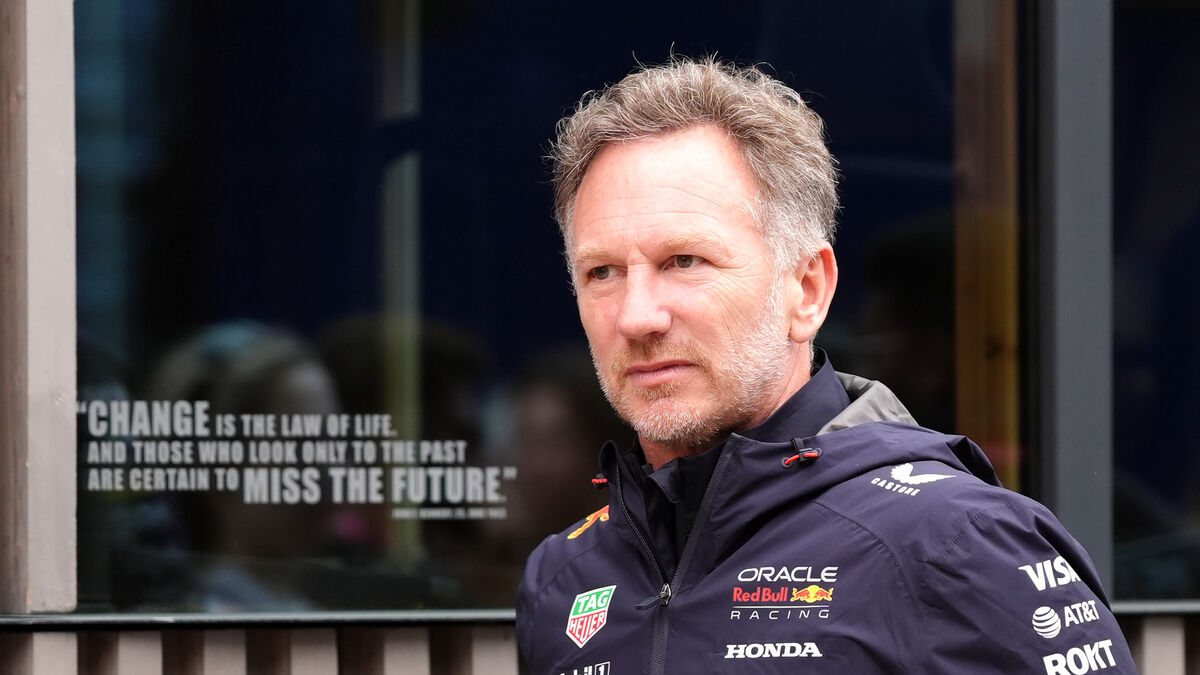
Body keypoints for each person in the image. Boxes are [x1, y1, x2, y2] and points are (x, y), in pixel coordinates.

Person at [515, 57, 1135, 674]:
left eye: (685, 261)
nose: (636, 316)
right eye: (602, 272)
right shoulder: (561, 579)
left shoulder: (958, 543)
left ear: (807, 290)